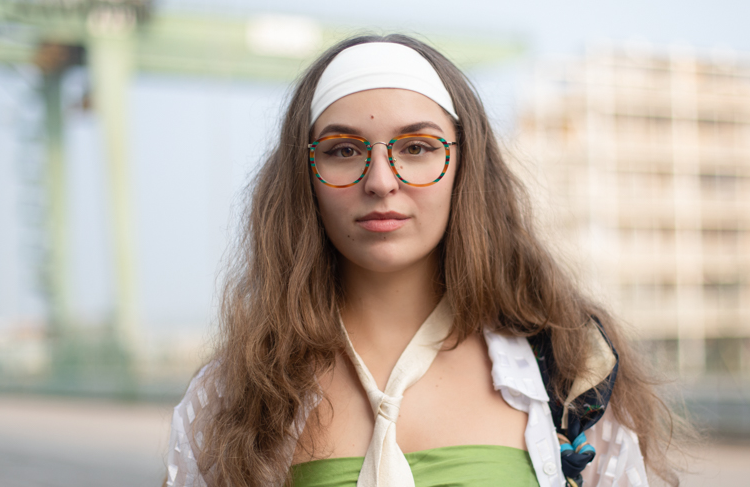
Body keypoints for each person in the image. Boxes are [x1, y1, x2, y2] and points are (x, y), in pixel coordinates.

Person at [164, 34, 683, 487]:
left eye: (416, 147)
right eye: (343, 150)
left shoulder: (570, 370)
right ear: (304, 176)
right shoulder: (236, 395)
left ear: (465, 165)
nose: (381, 181)